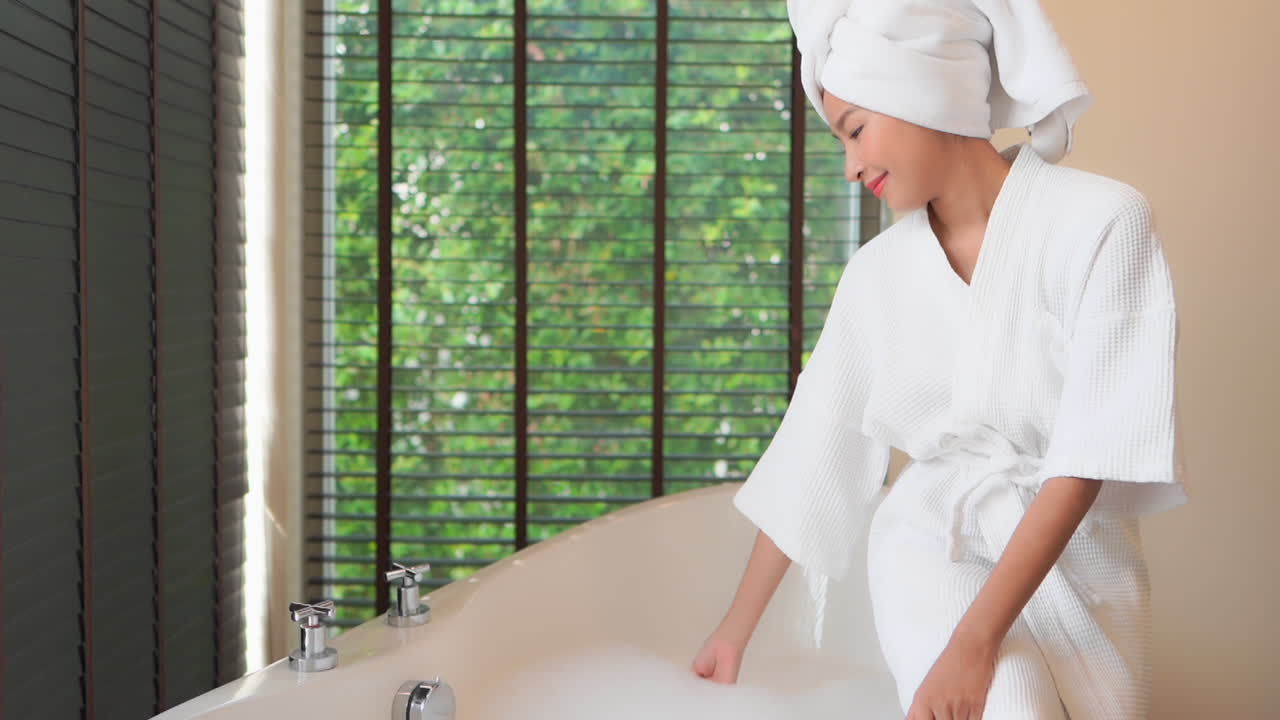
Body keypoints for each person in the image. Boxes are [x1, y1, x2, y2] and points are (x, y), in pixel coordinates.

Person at [689, 1, 1188, 718]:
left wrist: (976, 643)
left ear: (919, 92)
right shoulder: (875, 274)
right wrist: (733, 634)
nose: (853, 166)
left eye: (856, 131)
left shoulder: (1103, 223)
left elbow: (1087, 454)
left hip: (1078, 559)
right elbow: (814, 451)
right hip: (936, 542)